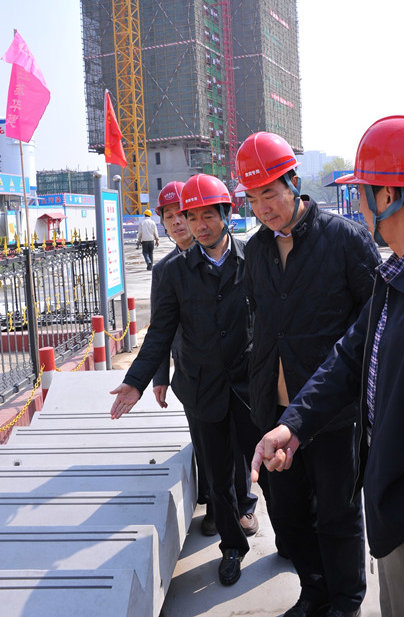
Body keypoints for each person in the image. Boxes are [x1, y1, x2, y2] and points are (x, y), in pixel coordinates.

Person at [251, 115, 404, 617]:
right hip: (402, 508)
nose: (359, 204)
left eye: (362, 191)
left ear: (388, 195)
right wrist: (294, 425)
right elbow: (350, 355)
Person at [235, 131, 381, 617]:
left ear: (294, 183)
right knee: (289, 512)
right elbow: (260, 319)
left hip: (331, 413)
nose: (263, 208)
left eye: (271, 194)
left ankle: (345, 601)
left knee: (338, 514)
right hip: (273, 410)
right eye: (253, 199)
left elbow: (373, 323)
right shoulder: (257, 250)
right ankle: (314, 592)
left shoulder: (345, 240)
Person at [110, 174, 266, 586]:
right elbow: (160, 333)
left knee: (270, 468)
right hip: (201, 389)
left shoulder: (254, 258)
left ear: (226, 214)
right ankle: (232, 547)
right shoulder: (175, 272)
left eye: (207, 216)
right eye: (190, 217)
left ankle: (291, 537)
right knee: (218, 476)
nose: (198, 225)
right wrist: (137, 380)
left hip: (251, 386)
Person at [151, 180, 258, 539]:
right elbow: (160, 329)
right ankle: (218, 509)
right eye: (172, 217)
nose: (181, 223)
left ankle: (244, 506)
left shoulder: (245, 257)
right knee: (208, 447)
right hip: (194, 374)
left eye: (186, 215)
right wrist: (159, 377)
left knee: (242, 448)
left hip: (239, 373)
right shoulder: (166, 271)